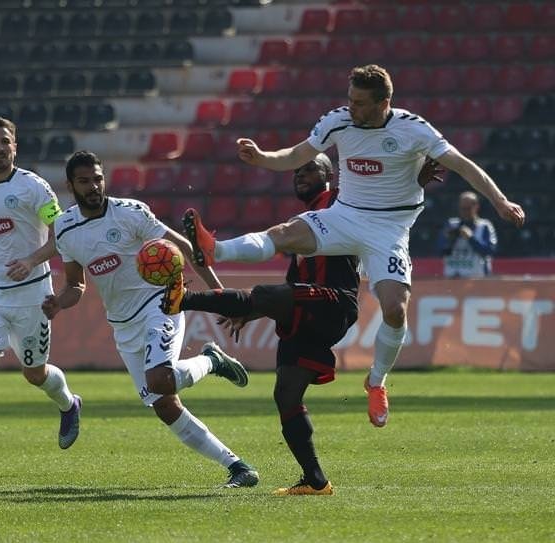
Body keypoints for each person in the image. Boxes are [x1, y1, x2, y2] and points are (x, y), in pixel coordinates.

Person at [183, 64, 525, 429]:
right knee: (284, 233)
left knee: (395, 310)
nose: (352, 108)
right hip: (344, 215)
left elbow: (463, 165)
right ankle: (215, 250)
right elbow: (297, 155)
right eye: (350, 99)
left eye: (360, 103)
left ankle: (376, 382)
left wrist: (500, 201)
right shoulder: (339, 121)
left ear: (383, 102)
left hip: (388, 230)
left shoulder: (413, 129)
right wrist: (263, 157)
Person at [163, 154, 441, 496]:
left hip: (334, 301)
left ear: (329, 175)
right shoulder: (304, 223)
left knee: (265, 294)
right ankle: (315, 480)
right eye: (297, 171)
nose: (301, 175)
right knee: (286, 395)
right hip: (308, 307)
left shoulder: (341, 202)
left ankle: (182, 299)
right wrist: (251, 311)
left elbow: (379, 196)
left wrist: (413, 180)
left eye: (310, 169)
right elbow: (289, 287)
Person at [43, 150, 259, 488]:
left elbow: (186, 248)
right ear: (70, 186)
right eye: (84, 181)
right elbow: (75, 285)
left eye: (98, 179)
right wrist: (58, 302)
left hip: (162, 302)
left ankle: (210, 362)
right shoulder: (65, 228)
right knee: (164, 405)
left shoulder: (130, 212)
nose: (93, 186)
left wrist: (222, 298)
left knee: (159, 380)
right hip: (123, 323)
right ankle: (238, 467)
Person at [0, 117, 80, 478]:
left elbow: (61, 233)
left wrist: (31, 261)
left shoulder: (34, 188)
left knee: (34, 374)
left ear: (15, 147)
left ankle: (69, 403)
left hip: (32, 293)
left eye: (5, 142)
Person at [439, 191, 497, 278]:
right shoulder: (451, 224)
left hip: (477, 277)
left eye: (468, 208)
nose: (465, 212)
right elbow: (440, 251)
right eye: (463, 208)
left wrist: (471, 238)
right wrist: (451, 239)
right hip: (453, 276)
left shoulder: (484, 226)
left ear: (476, 207)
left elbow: (489, 251)